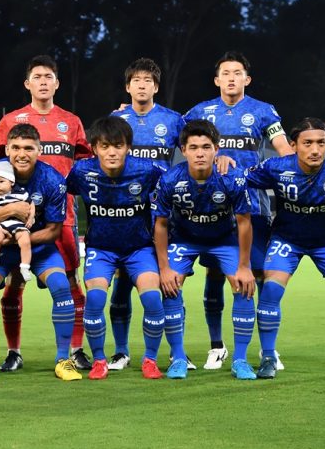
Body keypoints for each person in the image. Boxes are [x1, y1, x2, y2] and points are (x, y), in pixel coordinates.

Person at [0, 55, 93, 371]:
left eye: (48, 76)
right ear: (27, 84)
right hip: (13, 217)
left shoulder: (72, 121)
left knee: (70, 281)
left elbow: (89, 163)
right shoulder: (12, 120)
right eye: (37, 76)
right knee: (14, 284)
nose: (43, 82)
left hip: (61, 215)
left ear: (57, 83)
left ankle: (75, 349)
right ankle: (14, 351)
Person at [244, 117, 325, 379]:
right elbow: (241, 180)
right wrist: (222, 163)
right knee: (270, 290)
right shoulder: (276, 167)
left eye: (321, 143)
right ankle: (268, 357)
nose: (315, 149)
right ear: (293, 145)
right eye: (307, 143)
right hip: (286, 240)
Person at [185, 51, 293, 370]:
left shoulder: (263, 111)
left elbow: (283, 148)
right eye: (226, 73)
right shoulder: (200, 112)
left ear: (247, 79)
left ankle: (267, 349)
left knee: (257, 275)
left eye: (237, 73)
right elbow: (163, 125)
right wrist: (126, 113)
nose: (231, 78)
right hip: (213, 207)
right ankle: (217, 346)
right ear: (216, 80)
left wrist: (298, 168)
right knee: (215, 273)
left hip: (254, 204)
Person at [0, 123, 81, 383]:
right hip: (0, 248)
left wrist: (21, 239)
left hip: (38, 247)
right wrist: (11, 210)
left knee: (61, 286)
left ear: (39, 150)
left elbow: (53, 230)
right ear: (7, 149)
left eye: (29, 148)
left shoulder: (52, 179)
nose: (22, 154)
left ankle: (63, 360)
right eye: (16, 147)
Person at [152, 119, 257, 380]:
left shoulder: (232, 178)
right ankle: (178, 357)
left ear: (216, 149)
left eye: (206, 147)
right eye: (194, 147)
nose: (200, 153)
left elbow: (244, 223)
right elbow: (160, 225)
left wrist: (245, 266)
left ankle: (240, 360)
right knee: (169, 285)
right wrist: (164, 268)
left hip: (223, 240)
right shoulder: (170, 179)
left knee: (243, 285)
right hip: (184, 239)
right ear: (183, 150)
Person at [66, 116, 166, 380]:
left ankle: (150, 359)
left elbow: (176, 181)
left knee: (152, 299)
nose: (112, 152)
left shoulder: (146, 170)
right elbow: (57, 188)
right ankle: (99, 360)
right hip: (102, 249)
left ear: (128, 147)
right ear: (94, 148)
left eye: (118, 146)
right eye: (105, 146)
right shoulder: (81, 171)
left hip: (139, 249)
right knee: (95, 299)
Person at [107, 57, 188, 371]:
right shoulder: (117, 119)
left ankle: (177, 352)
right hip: (124, 214)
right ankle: (121, 351)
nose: (142, 86)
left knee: (170, 282)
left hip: (163, 213)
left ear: (156, 87)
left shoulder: (173, 120)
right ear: (128, 87)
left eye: (148, 81)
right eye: (136, 81)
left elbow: (194, 148)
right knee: (122, 283)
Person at [0, 161, 36, 281]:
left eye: (1, 181)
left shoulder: (20, 193)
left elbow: (31, 204)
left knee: (25, 240)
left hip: (17, 223)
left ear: (11, 182)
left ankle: (25, 266)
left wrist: (30, 218)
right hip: (0, 224)